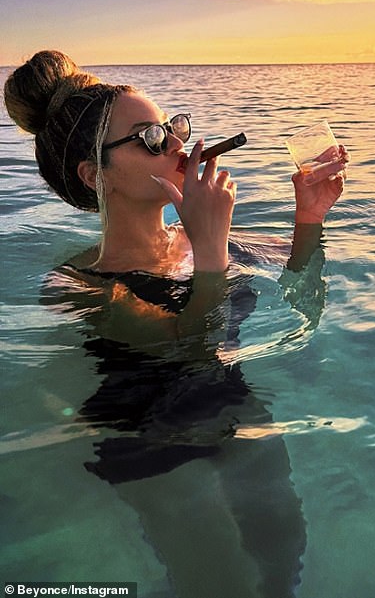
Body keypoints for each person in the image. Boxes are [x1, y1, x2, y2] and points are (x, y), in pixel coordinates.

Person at [3, 50, 349, 598]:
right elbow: (191, 348)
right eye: (150, 138)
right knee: (216, 581)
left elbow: (299, 278)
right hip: (149, 437)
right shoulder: (82, 284)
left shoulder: (198, 238)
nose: (176, 145)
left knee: (282, 556)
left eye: (173, 127)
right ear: (97, 175)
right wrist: (211, 250)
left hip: (234, 407)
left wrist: (309, 216)